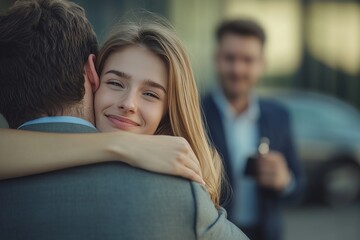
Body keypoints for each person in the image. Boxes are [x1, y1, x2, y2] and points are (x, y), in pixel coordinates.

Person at [0, 1, 248, 239]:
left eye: (150, 94)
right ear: (93, 76)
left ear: (169, 111)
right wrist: (121, 145)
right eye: (115, 83)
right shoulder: (184, 196)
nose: (128, 104)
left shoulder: (187, 191)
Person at [202, 19, 304, 240]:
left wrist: (284, 181)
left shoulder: (279, 116)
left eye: (247, 60)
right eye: (230, 58)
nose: (238, 69)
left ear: (261, 64)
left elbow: (298, 187)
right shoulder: (194, 112)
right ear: (217, 59)